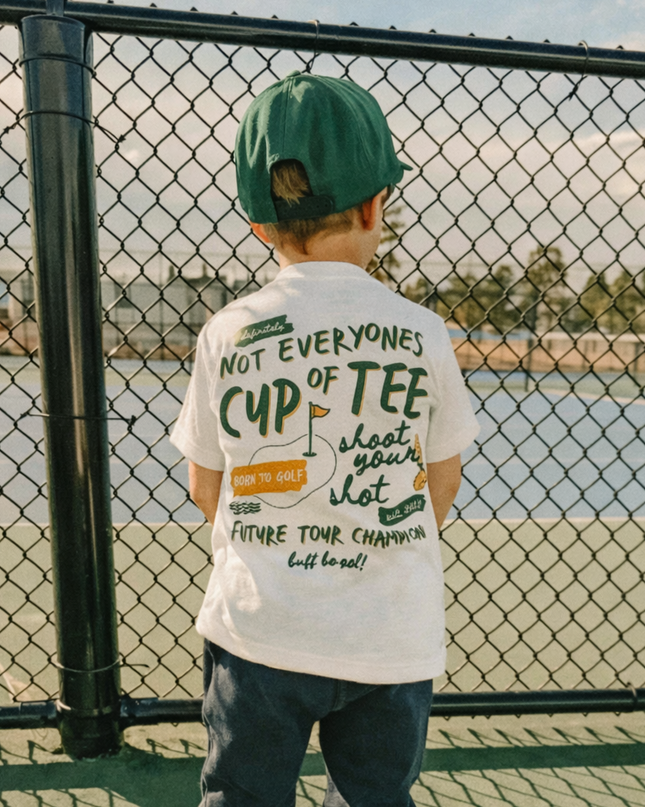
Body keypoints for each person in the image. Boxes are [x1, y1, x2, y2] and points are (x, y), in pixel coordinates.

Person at [170, 70, 480, 807]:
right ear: (377, 207)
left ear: (257, 224)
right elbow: (441, 477)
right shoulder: (420, 332)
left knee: (241, 793)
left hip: (258, 630)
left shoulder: (227, 331)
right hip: (388, 631)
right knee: (375, 793)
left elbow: (205, 485)